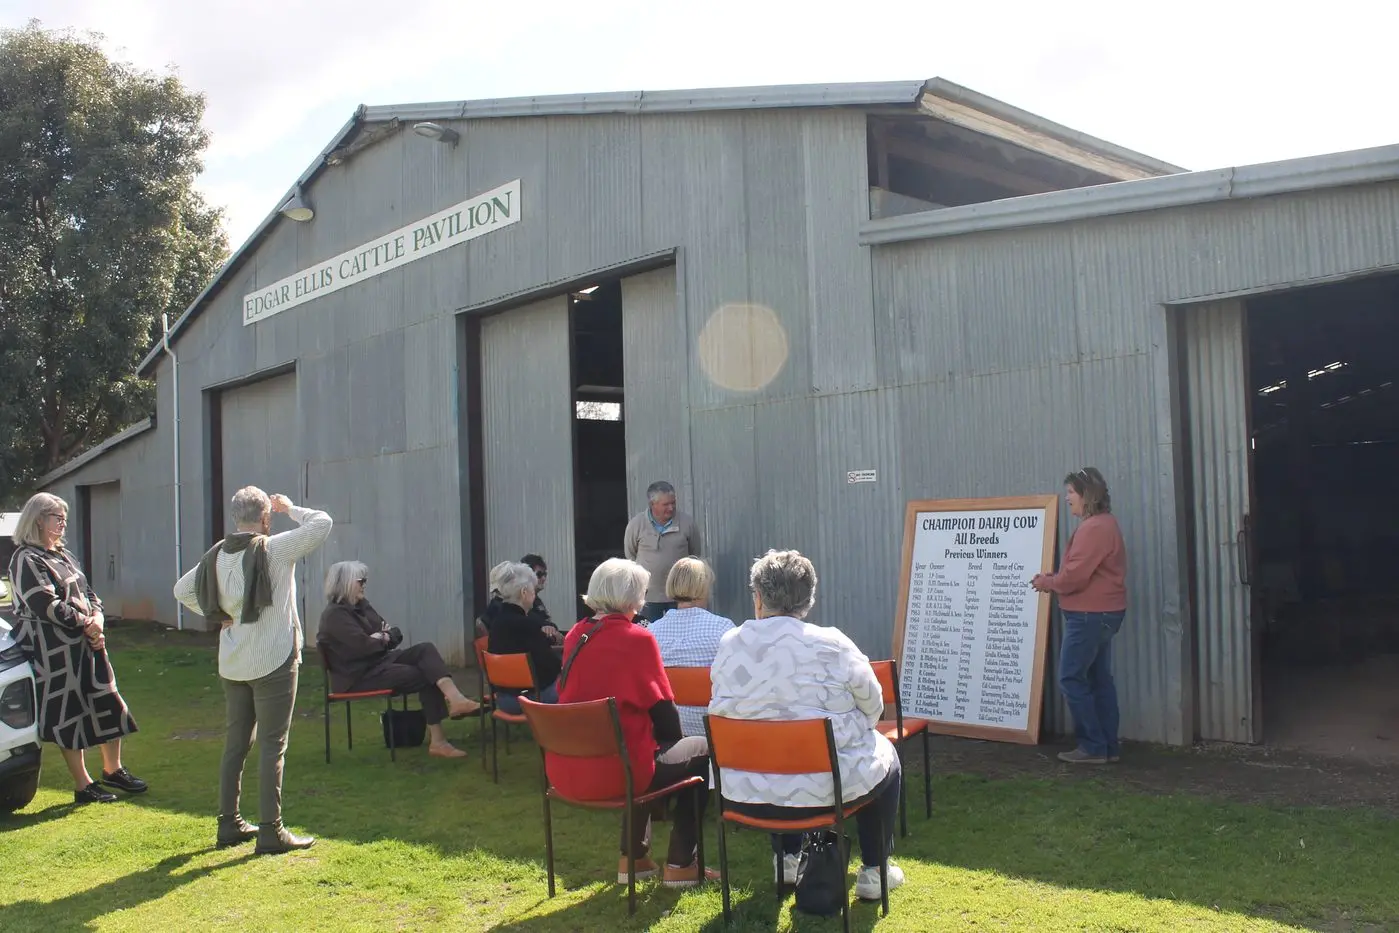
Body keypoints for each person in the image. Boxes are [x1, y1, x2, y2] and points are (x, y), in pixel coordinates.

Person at [708, 549, 905, 899]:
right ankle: (875, 871)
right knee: (886, 753)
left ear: (758, 598)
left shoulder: (729, 644)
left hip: (742, 789)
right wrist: (858, 727)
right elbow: (874, 704)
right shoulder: (833, 643)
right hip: (823, 792)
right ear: (809, 598)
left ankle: (786, 859)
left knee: (774, 748)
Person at [173, 487, 332, 854]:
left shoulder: (217, 555)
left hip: (234, 661)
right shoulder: (274, 548)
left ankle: (228, 823)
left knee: (236, 745)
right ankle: (270, 829)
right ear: (265, 518)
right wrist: (292, 509)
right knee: (273, 745)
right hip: (273, 658)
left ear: (234, 518)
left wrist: (218, 615)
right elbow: (322, 523)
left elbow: (182, 590)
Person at [549, 557, 714, 888]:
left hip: (567, 769)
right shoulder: (637, 638)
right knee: (697, 749)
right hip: (619, 773)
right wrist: (673, 744)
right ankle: (682, 864)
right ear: (630, 597)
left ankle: (634, 859)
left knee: (640, 751)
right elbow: (665, 714)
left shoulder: (575, 636)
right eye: (641, 591)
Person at [7, 493, 145, 805]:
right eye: (57, 516)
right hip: (52, 650)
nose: (62, 522)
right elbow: (45, 604)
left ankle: (114, 769)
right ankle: (84, 785)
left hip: (87, 643)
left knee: (107, 700)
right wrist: (86, 624)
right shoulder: (25, 559)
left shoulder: (63, 555)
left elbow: (89, 592)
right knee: (68, 713)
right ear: (38, 519)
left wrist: (96, 618)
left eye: (63, 517)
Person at [317, 561, 481, 759]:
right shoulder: (334, 616)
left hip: (379, 662)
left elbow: (394, 633)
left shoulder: (361, 606)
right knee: (425, 674)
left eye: (365, 580)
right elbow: (363, 646)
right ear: (345, 583)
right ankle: (438, 742)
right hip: (357, 677)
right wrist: (380, 638)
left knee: (425, 650)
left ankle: (456, 700)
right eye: (360, 581)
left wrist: (382, 637)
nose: (364, 585)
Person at [1032, 467, 1128, 765]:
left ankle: (1092, 747)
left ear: (1087, 495)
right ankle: (1106, 746)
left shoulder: (1094, 528)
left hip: (1089, 615)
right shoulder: (1102, 524)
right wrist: (1057, 577)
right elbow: (1079, 571)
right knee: (1099, 679)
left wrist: (1047, 582)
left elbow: (1075, 577)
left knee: (1071, 678)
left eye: (1071, 493)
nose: (1067, 498)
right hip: (1101, 614)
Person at [647, 557, 734, 737]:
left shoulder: (652, 633)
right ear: (704, 587)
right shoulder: (723, 630)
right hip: (712, 735)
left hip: (669, 737)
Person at [484, 562, 562, 713]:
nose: (534, 594)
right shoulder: (528, 625)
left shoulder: (497, 622)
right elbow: (550, 667)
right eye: (533, 590)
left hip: (503, 699)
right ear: (524, 593)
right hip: (532, 699)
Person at [623, 481, 702, 623]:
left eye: (673, 503)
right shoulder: (636, 525)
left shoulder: (687, 523)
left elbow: (695, 555)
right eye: (666, 504)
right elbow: (630, 556)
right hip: (649, 597)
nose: (671, 508)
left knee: (680, 631)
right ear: (652, 504)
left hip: (680, 596)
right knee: (650, 634)